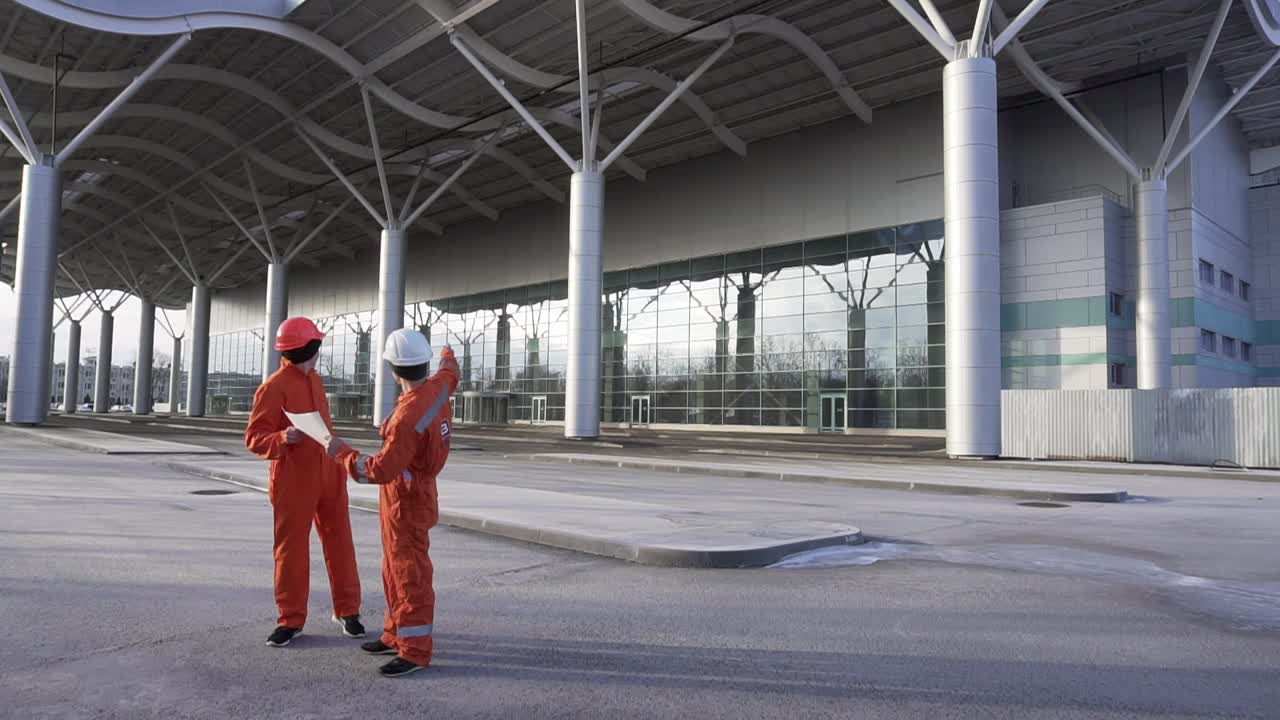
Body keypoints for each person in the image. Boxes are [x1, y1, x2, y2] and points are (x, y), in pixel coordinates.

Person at [327, 328, 458, 678]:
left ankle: (415, 650)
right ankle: (395, 633)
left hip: (405, 501)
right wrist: (447, 353)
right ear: (424, 363)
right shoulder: (439, 388)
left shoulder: (405, 418)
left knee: (409, 576)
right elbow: (451, 370)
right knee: (394, 571)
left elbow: (378, 470)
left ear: (393, 371)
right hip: (410, 497)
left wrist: (342, 454)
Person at [245, 316, 363, 648]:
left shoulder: (317, 381)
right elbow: (254, 438)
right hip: (294, 480)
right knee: (291, 550)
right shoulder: (273, 387)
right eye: (316, 346)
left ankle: (348, 611)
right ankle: (291, 619)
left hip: (329, 473)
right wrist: (283, 436)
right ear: (309, 348)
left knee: (340, 544)